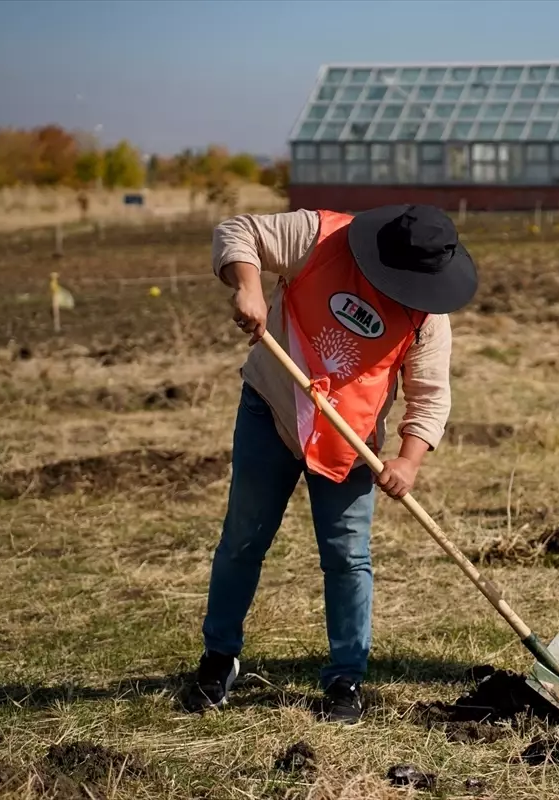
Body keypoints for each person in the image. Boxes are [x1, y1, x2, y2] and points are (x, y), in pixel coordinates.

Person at [188, 204, 478, 723]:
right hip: (272, 408)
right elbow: (239, 230)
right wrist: (249, 285)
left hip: (352, 440)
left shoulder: (428, 315)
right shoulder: (321, 236)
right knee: (244, 537)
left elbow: (430, 396)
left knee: (347, 557)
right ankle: (219, 658)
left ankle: (346, 676)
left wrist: (408, 461)